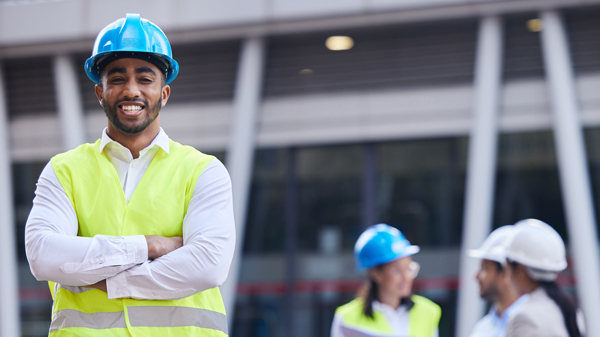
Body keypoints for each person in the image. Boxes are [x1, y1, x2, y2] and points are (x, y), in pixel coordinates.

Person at [24, 13, 235, 337]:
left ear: (163, 93)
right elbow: (44, 256)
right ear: (100, 92)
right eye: (118, 78)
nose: (131, 90)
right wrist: (148, 246)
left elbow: (208, 265)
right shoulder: (63, 171)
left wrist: (107, 281)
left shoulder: (203, 171)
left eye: (145, 78)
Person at [331, 224, 441, 337]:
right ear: (376, 273)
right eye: (396, 270)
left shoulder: (428, 312)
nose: (406, 277)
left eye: (408, 268)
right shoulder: (348, 318)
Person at [504, 219, 584, 337]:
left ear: (520, 270)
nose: (507, 279)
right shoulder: (571, 311)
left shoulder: (524, 317)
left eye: (507, 270)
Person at [468, 225, 523, 337]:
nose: (476, 276)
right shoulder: (482, 328)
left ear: (506, 272)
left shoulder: (533, 323)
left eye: (484, 268)